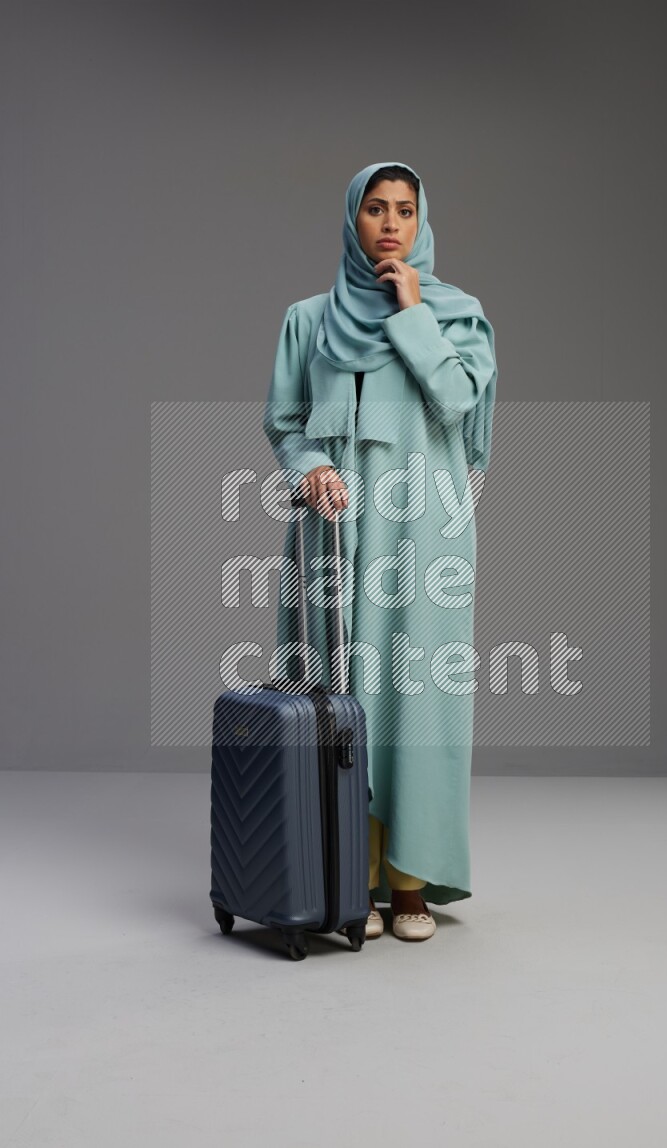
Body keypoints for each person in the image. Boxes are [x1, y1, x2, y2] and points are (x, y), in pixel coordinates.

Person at [263, 161, 497, 942]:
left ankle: (408, 881)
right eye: (374, 209)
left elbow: (460, 404)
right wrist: (311, 465)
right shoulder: (308, 319)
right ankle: (345, 873)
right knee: (337, 695)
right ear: (351, 220)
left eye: (404, 209)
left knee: (417, 699)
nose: (390, 224)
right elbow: (286, 424)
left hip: (423, 530)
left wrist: (412, 312)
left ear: (422, 221)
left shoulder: (457, 317)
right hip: (333, 528)